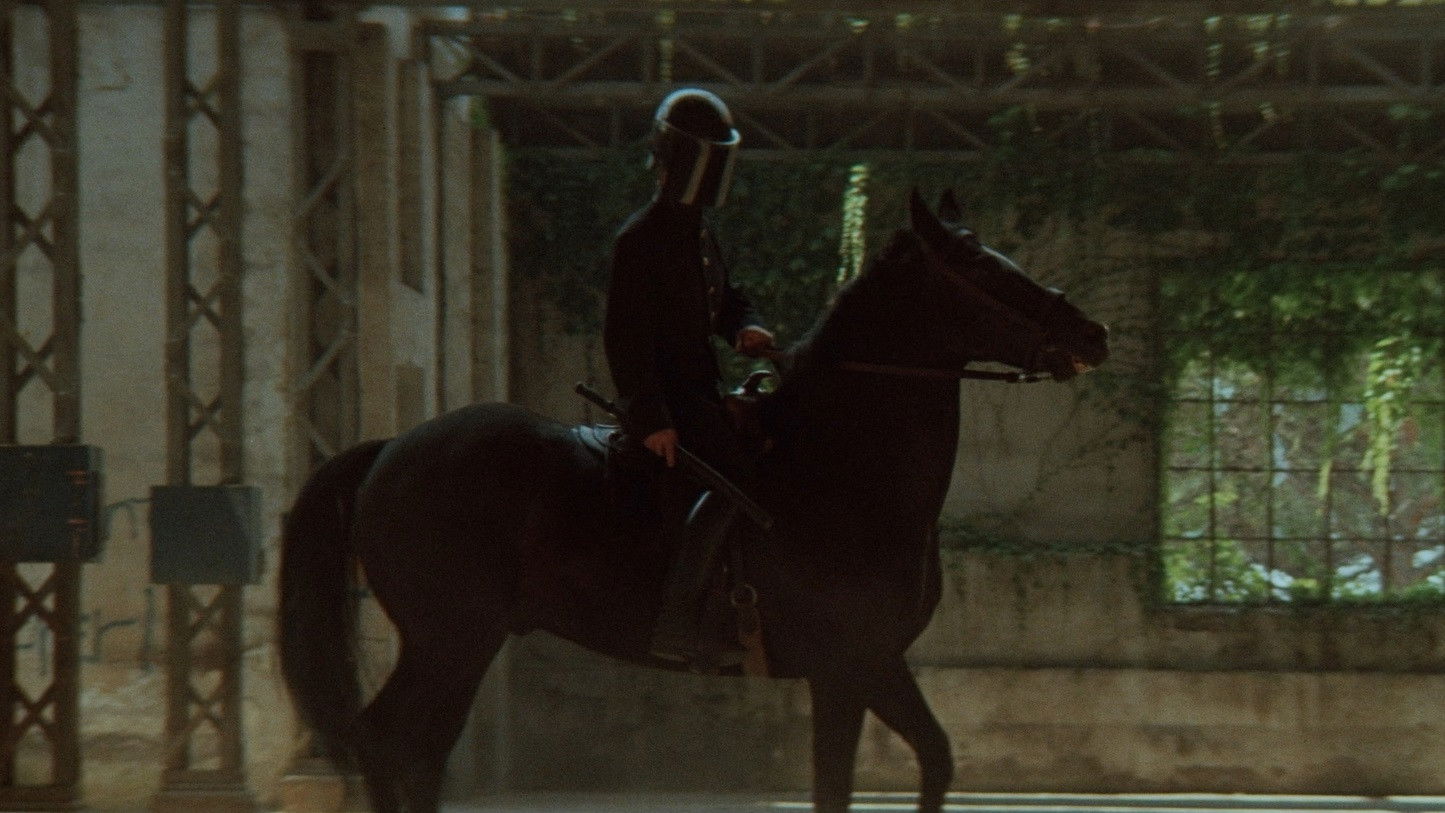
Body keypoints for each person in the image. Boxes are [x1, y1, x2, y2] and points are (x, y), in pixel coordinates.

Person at [602, 88, 774, 666]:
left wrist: (745, 326)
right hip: (672, 402)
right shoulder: (641, 237)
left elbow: (723, 298)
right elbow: (626, 338)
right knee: (734, 484)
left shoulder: (697, 230)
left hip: (701, 391)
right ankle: (678, 622)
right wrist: (653, 418)